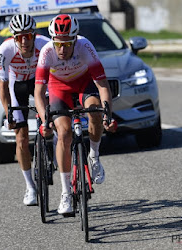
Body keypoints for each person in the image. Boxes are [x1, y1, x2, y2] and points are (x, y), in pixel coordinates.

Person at [34, 14, 117, 215]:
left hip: (83, 84)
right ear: (53, 41)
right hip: (58, 87)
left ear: (75, 40)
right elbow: (38, 92)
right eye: (58, 44)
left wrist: (108, 115)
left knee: (95, 110)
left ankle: (94, 156)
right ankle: (66, 192)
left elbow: (103, 85)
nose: (62, 50)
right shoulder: (46, 52)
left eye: (67, 44)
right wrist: (45, 120)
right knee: (63, 133)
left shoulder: (85, 47)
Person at [0, 14, 49, 206]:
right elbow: (3, 87)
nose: (24, 41)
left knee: (54, 119)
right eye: (19, 37)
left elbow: (55, 76)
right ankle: (30, 187)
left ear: (34, 35)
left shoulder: (45, 45)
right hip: (16, 84)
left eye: (28, 35)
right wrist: (9, 112)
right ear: (14, 38)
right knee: (21, 136)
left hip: (39, 82)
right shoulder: (5, 50)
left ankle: (54, 150)